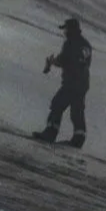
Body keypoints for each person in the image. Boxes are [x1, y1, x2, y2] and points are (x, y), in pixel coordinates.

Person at [33, 16, 92, 148]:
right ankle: (79, 138)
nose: (64, 32)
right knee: (77, 111)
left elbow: (64, 60)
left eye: (66, 29)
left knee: (57, 104)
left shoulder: (71, 43)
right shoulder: (86, 45)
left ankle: (50, 133)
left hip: (71, 82)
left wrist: (52, 62)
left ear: (71, 29)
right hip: (82, 83)